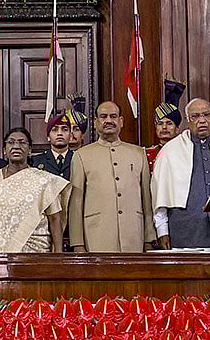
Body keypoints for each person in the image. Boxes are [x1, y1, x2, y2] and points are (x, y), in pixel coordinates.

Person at [151, 98, 210, 249]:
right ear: (187, 121)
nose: (202, 120)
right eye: (195, 116)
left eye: (206, 115)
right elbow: (160, 194)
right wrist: (162, 231)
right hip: (186, 233)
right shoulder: (170, 152)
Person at [68, 101, 156, 252]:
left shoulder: (138, 153)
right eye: (103, 116)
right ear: (95, 122)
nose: (108, 121)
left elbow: (146, 200)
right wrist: (78, 243)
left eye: (113, 116)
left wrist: (149, 238)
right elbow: (76, 203)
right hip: (96, 237)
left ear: (121, 121)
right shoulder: (82, 155)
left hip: (133, 237)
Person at [0, 127, 69, 253]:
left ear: (30, 150)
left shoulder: (43, 180)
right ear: (4, 150)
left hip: (35, 253)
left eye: (22, 142)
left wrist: (58, 254)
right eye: (11, 142)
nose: (16, 146)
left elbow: (55, 218)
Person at [146, 79, 186, 171]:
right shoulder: (147, 154)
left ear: (177, 128)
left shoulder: (185, 152)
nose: (164, 127)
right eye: (160, 123)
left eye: (169, 123)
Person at [30, 112, 73, 180]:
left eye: (64, 130)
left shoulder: (78, 159)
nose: (59, 133)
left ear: (70, 136)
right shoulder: (36, 161)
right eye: (55, 130)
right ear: (48, 137)